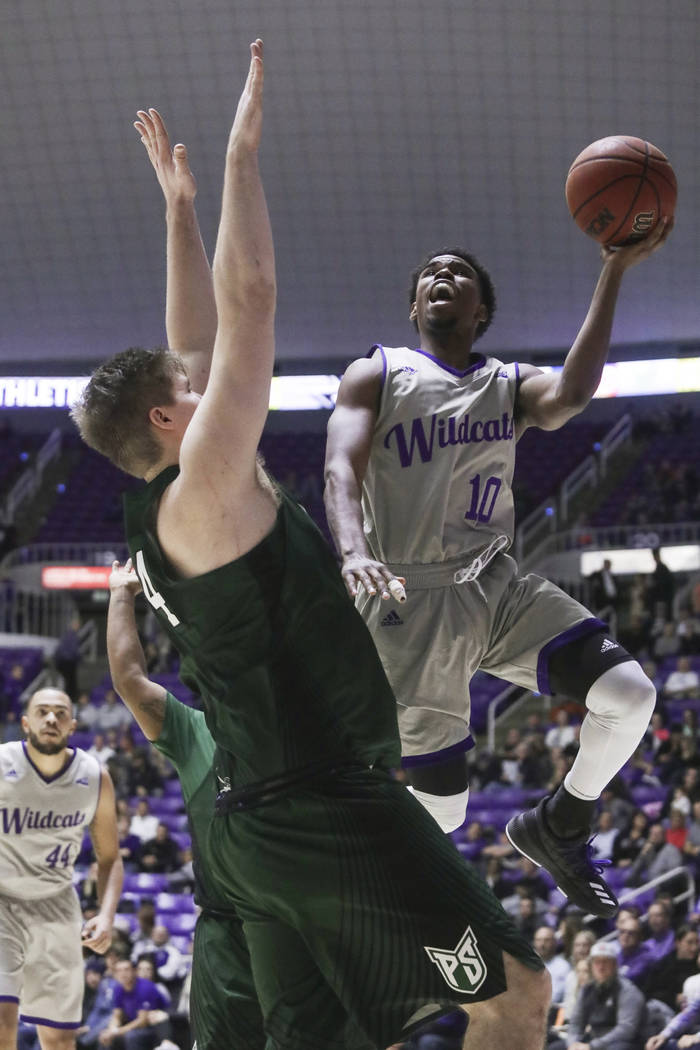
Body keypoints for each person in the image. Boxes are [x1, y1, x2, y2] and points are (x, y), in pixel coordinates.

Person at [71, 42, 551, 1050]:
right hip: (314, 802)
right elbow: (247, 308)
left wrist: (179, 211)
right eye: (186, 396)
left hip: (264, 819)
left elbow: (193, 343)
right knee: (516, 995)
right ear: (168, 424)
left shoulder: (176, 499)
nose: (204, 390)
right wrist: (245, 157)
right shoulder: (204, 485)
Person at [323, 216, 671, 916]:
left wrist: (613, 271)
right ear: (415, 307)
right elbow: (339, 467)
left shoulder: (508, 385)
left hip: (496, 584)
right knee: (445, 816)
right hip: (404, 596)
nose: (442, 275)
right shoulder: (378, 371)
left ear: (479, 311)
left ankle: (561, 825)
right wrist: (354, 550)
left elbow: (572, 397)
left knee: (630, 695)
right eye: (430, 273)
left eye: (459, 273)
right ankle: (358, 891)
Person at [0, 688, 123, 1048]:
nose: (51, 719)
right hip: (2, 898)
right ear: (26, 722)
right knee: (2, 1018)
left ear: (72, 725)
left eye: (59, 713)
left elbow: (110, 858)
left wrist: (106, 914)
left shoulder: (95, 776)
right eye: (42, 712)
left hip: (56, 904)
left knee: (58, 1037)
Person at [566, 940, 646, 1050]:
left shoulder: (628, 991)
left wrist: (592, 1046)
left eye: (606, 962)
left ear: (615, 965)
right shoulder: (586, 990)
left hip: (622, 1043)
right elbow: (576, 1023)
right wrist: (573, 1044)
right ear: (591, 966)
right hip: (592, 1041)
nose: (601, 967)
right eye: (597, 962)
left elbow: (626, 1030)